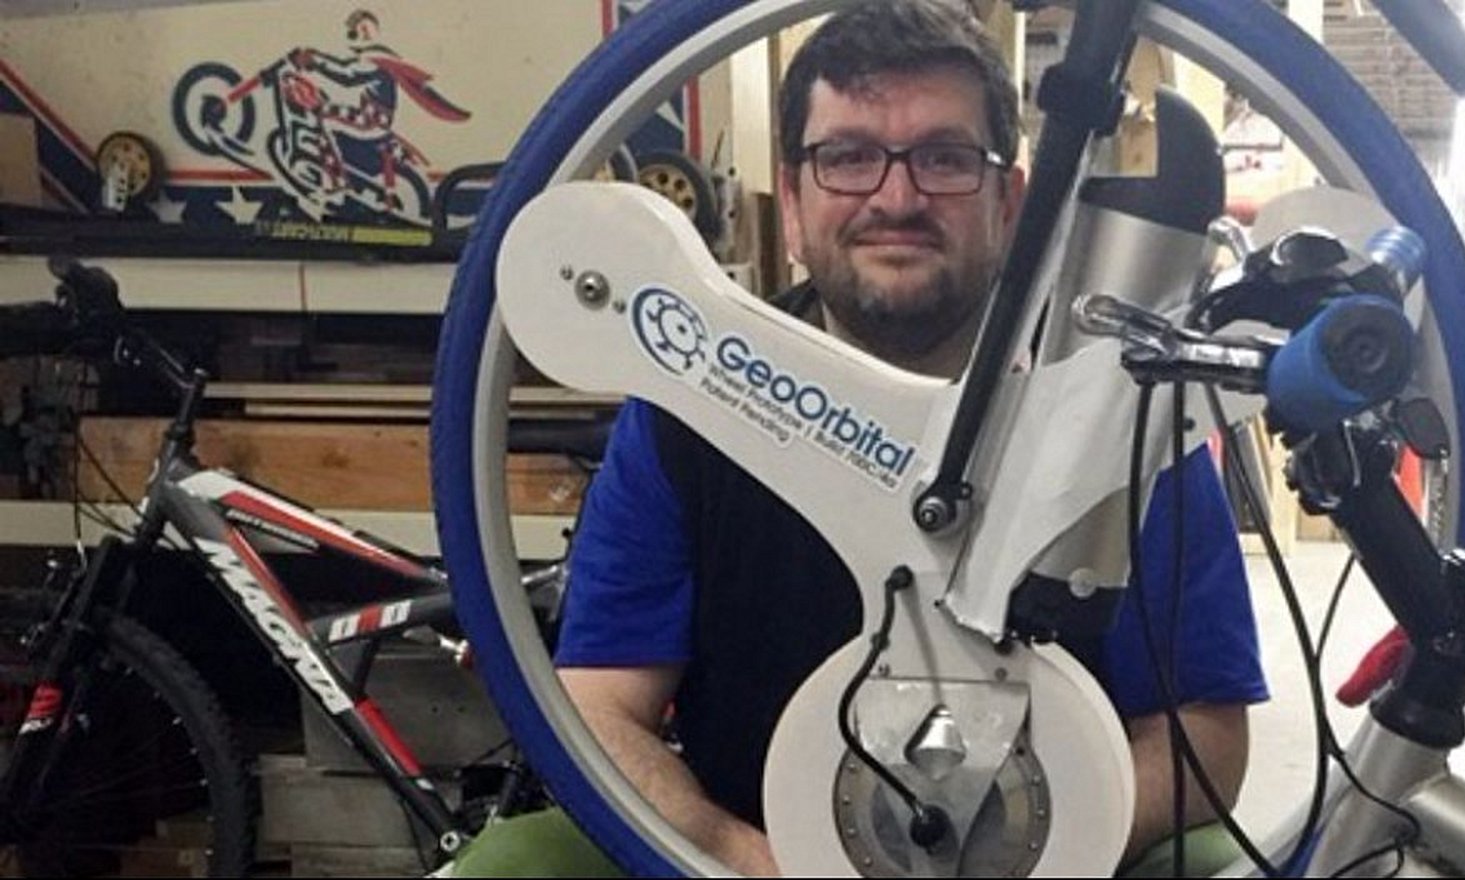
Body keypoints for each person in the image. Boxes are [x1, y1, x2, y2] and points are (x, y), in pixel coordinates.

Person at [457, 1, 1265, 875]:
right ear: (792, 200)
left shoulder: (1119, 412)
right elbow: (598, 706)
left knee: (1219, 865)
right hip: (748, 860)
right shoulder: (688, 408)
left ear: (1012, 203)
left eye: (945, 159)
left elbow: (1204, 729)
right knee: (517, 866)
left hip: (1061, 858)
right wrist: (738, 855)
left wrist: (1056, 852)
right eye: (847, 158)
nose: (896, 199)